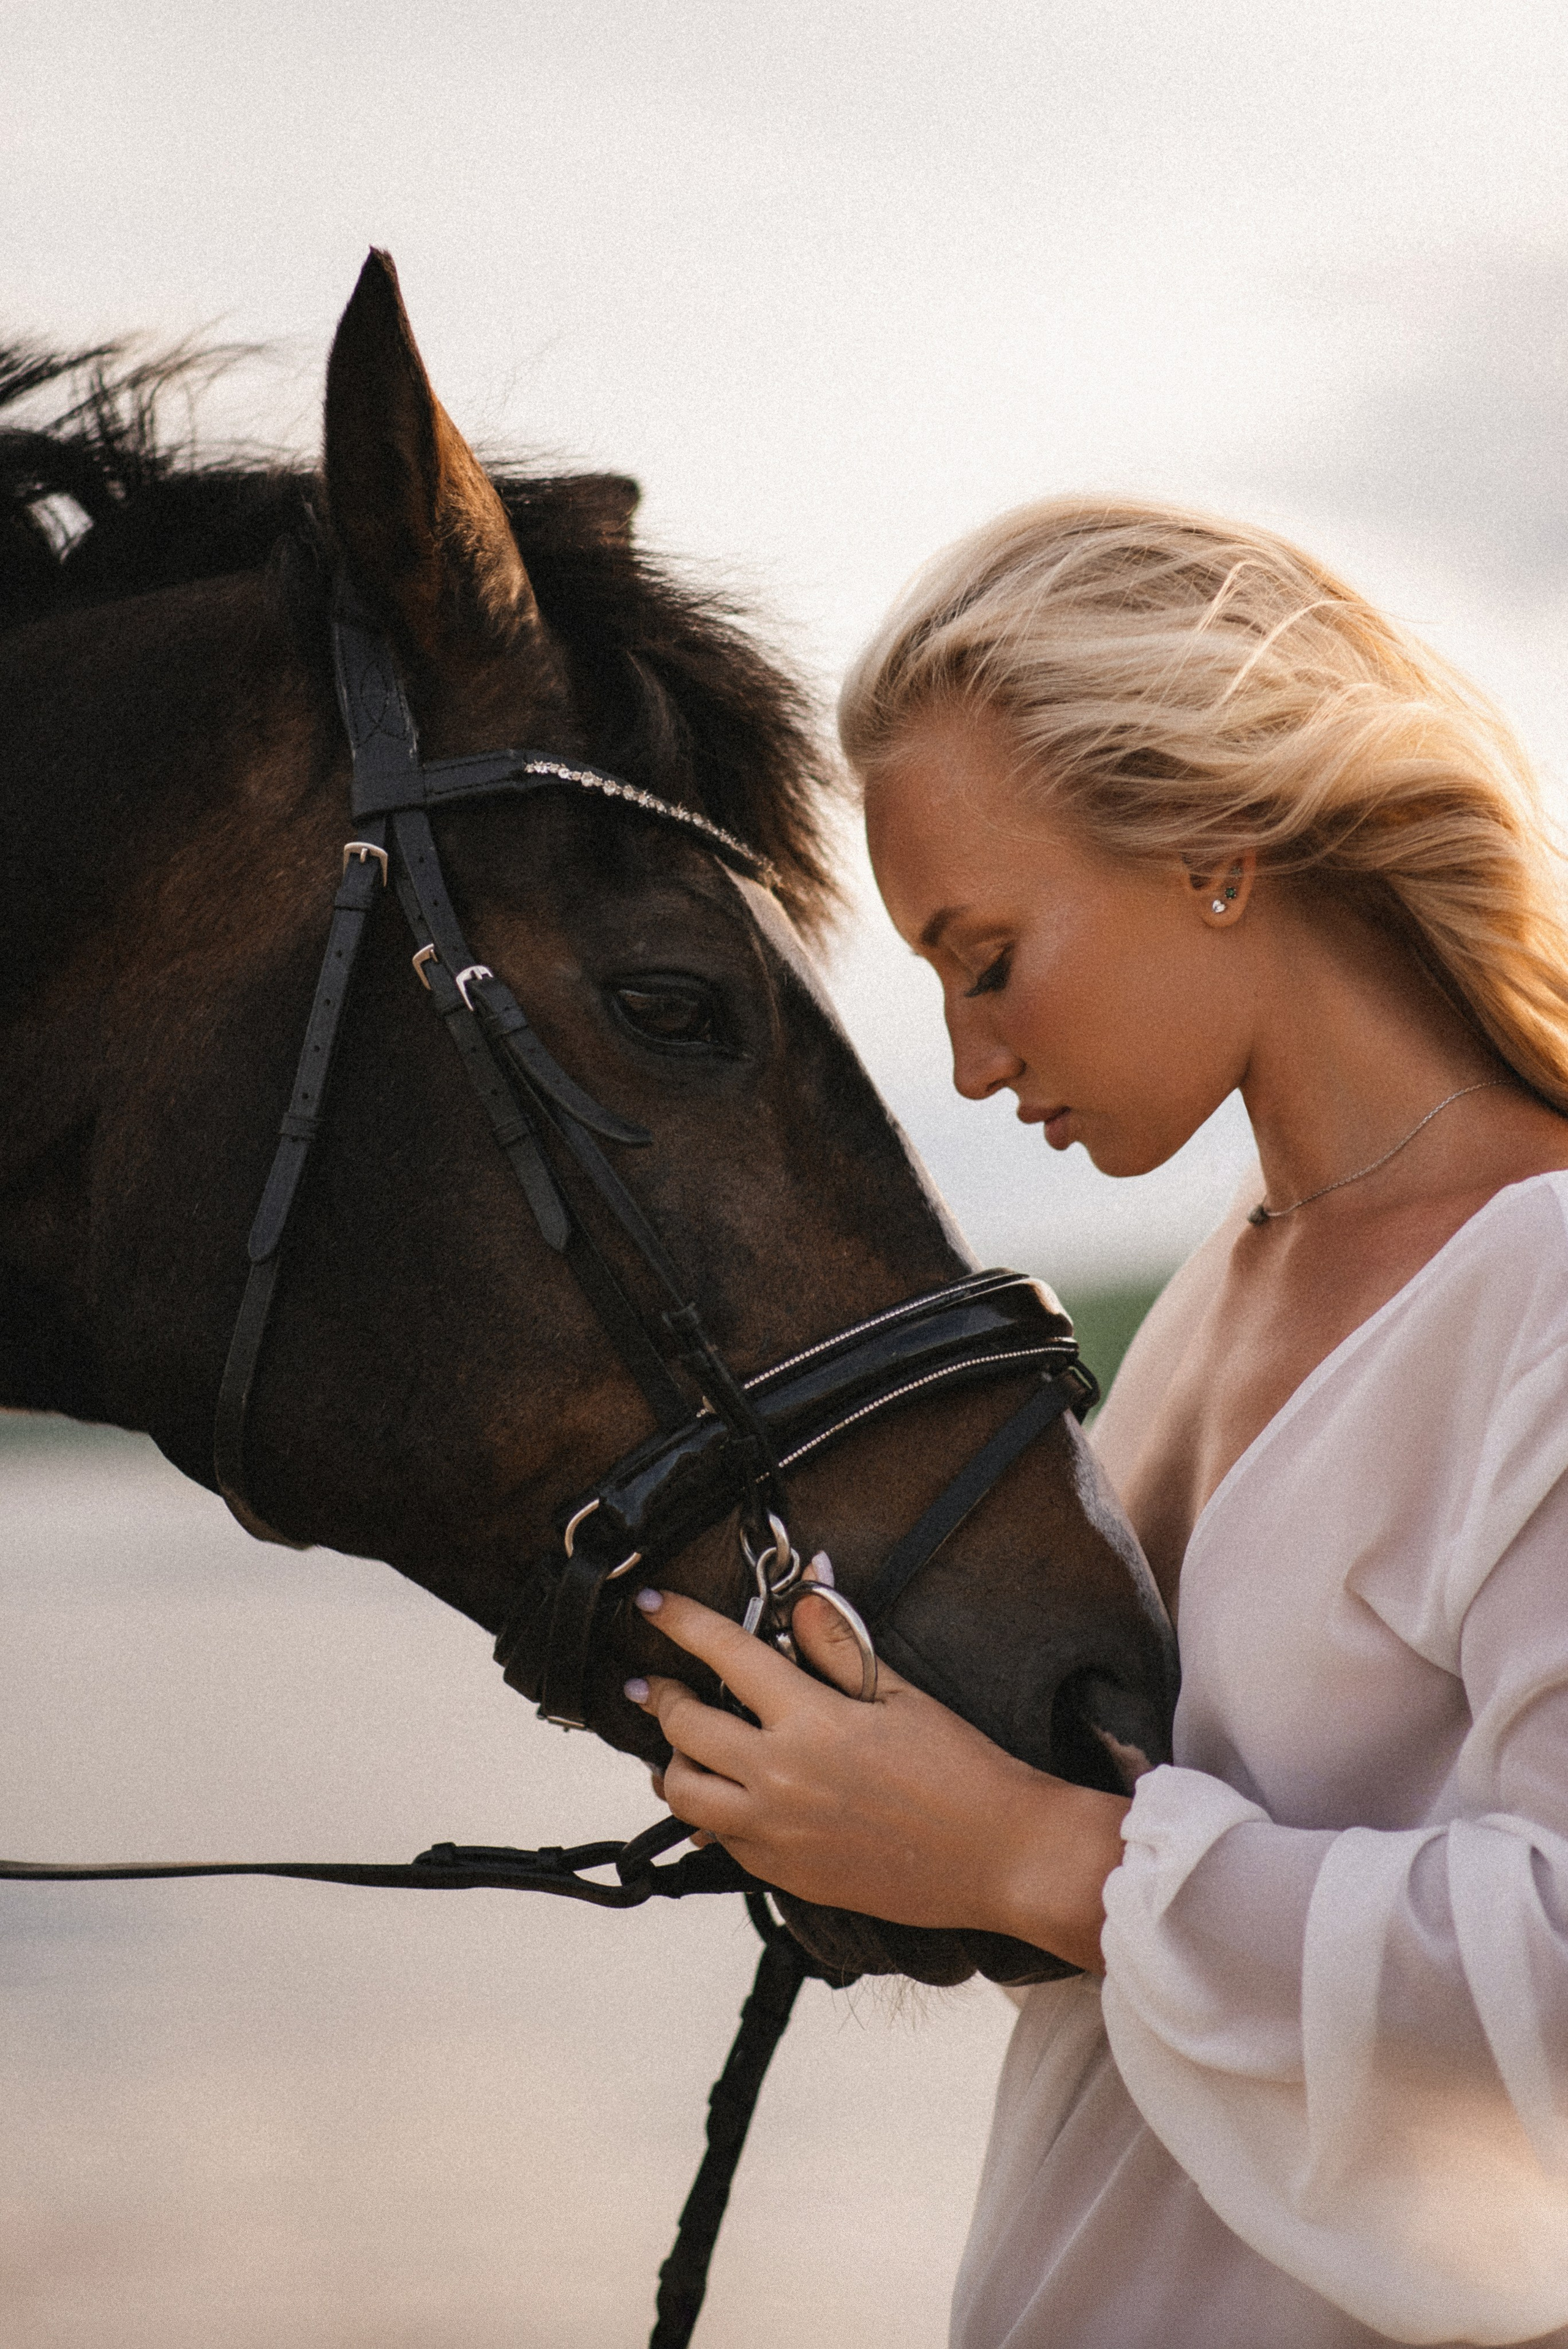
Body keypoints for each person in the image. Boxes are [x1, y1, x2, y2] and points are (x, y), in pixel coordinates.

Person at [622, 499, 1568, 2347]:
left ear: (1214, 843)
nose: (974, 1063)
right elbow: (1176, 1968)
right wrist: (854, 1802)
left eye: (986, 957)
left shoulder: (1544, 1280)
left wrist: (1022, 1856)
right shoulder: (1229, 1276)